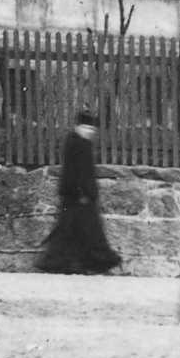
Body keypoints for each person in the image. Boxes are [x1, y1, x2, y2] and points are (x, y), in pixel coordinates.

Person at [34, 110, 121, 274]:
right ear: (80, 127)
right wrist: (84, 193)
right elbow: (79, 172)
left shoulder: (74, 141)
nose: (91, 132)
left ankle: (60, 262)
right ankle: (95, 262)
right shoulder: (80, 143)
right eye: (87, 128)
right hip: (80, 196)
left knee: (69, 232)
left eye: (92, 129)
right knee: (89, 232)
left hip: (74, 194)